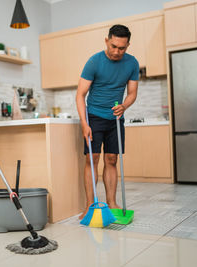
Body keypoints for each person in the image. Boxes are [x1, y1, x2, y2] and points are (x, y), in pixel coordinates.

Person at [75, 24, 139, 219]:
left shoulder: (132, 63)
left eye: (122, 48)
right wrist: (85, 124)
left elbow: (132, 93)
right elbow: (80, 95)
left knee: (111, 160)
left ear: (128, 46)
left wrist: (124, 106)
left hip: (116, 118)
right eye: (113, 46)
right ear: (106, 41)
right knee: (92, 159)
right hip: (94, 116)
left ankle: (111, 203)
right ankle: (90, 206)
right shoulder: (94, 62)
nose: (117, 51)